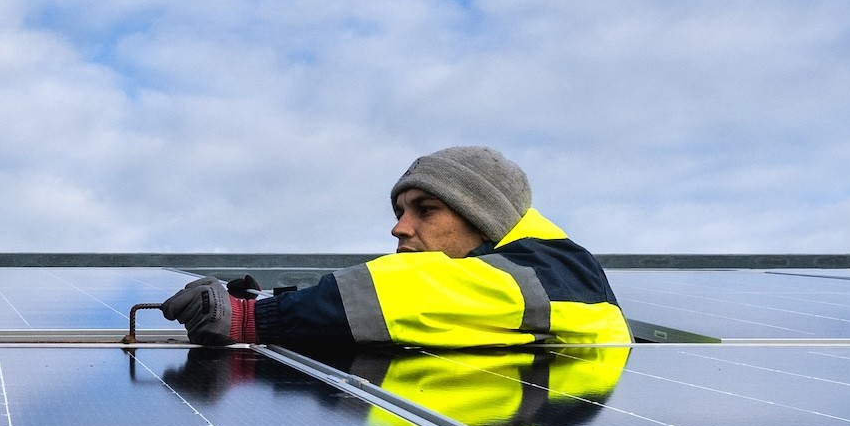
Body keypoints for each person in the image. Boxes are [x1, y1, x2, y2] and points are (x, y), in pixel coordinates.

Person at [160, 146, 633, 353]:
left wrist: (254, 319)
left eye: (425, 210)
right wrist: (275, 298)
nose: (398, 228)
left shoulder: (558, 270)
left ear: (485, 217)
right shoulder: (507, 276)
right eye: (400, 210)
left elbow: (416, 293)